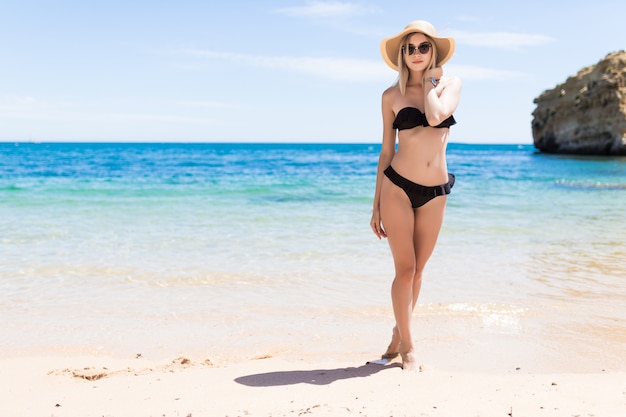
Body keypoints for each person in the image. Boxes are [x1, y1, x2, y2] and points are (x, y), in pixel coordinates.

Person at [370, 20, 461, 371]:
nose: (417, 53)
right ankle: (409, 347)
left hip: (436, 191)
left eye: (424, 47)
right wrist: (376, 203)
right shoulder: (390, 97)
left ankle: (397, 333)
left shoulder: (451, 85)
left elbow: (437, 114)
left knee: (420, 271)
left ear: (433, 51)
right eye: (410, 48)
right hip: (397, 187)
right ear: (402, 56)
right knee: (405, 270)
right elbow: (385, 151)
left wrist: (427, 84)